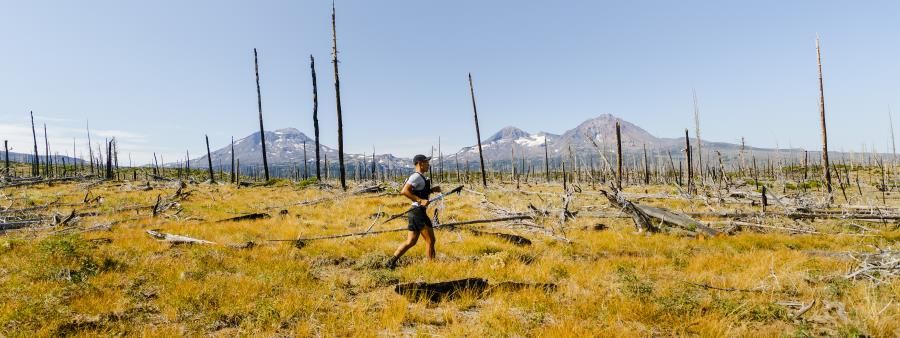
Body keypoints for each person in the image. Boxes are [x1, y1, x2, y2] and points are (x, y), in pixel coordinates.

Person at [386, 154, 441, 269]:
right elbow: (404, 191)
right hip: (417, 212)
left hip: (417, 212)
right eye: (426, 162)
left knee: (411, 241)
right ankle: (431, 268)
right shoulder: (416, 176)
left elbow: (418, 191)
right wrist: (420, 200)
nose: (428, 165)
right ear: (420, 163)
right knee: (430, 240)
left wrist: (431, 190)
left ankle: (391, 262)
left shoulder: (420, 177)